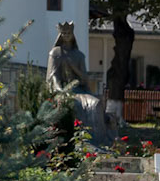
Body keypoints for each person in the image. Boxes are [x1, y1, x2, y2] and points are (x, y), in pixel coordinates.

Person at [45, 21, 112, 155]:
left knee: (95, 104)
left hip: (79, 90)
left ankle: (98, 141)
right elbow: (53, 76)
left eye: (69, 33)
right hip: (63, 90)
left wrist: (74, 67)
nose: (66, 35)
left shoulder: (79, 55)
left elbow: (84, 79)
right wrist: (60, 90)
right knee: (74, 104)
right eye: (64, 33)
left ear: (72, 34)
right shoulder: (55, 53)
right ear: (60, 35)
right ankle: (82, 141)